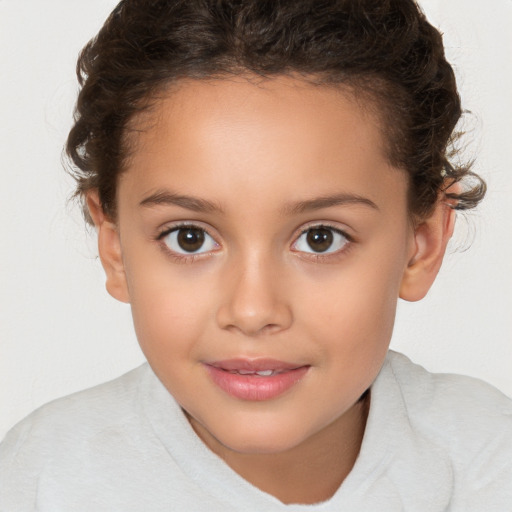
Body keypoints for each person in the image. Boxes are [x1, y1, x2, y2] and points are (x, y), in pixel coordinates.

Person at [1, 0, 511, 510]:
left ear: (420, 245)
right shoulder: (44, 478)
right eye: (189, 238)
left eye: (320, 238)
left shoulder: (486, 462)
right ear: (113, 246)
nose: (252, 311)